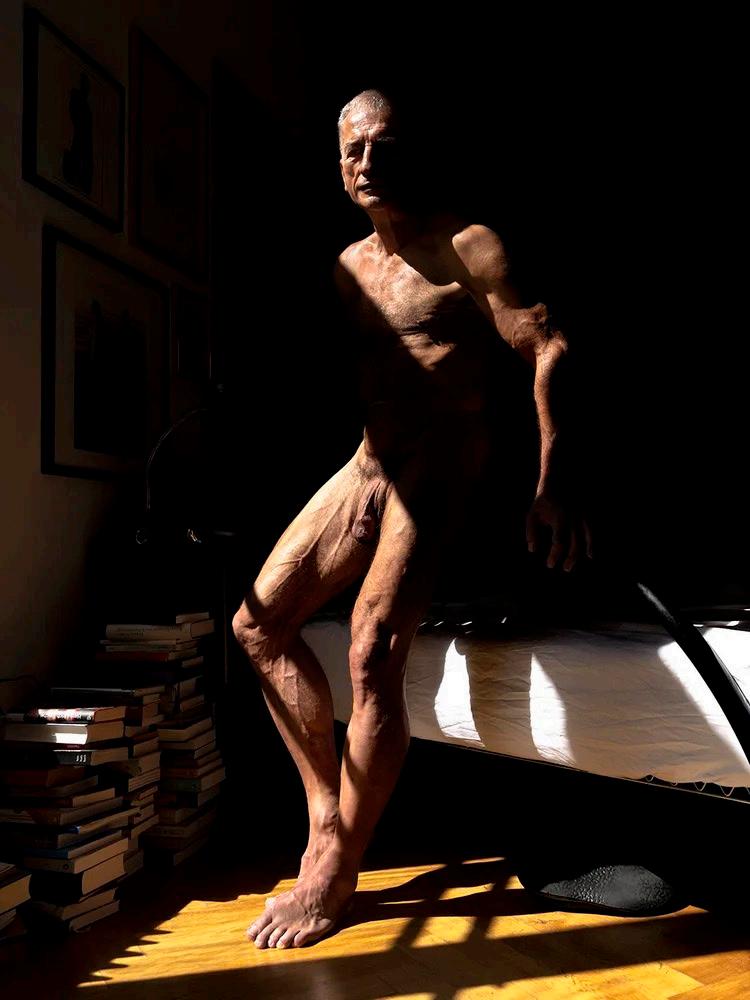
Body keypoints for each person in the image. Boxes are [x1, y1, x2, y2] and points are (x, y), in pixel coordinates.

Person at [235, 88, 592, 950]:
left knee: (371, 649)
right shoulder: (347, 266)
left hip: (442, 468)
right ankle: (327, 815)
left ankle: (335, 869)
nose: (367, 163)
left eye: (384, 146)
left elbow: (548, 347)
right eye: (352, 149)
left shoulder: (466, 245)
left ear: (414, 153)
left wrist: (554, 482)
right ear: (337, 162)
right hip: (369, 462)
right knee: (255, 624)